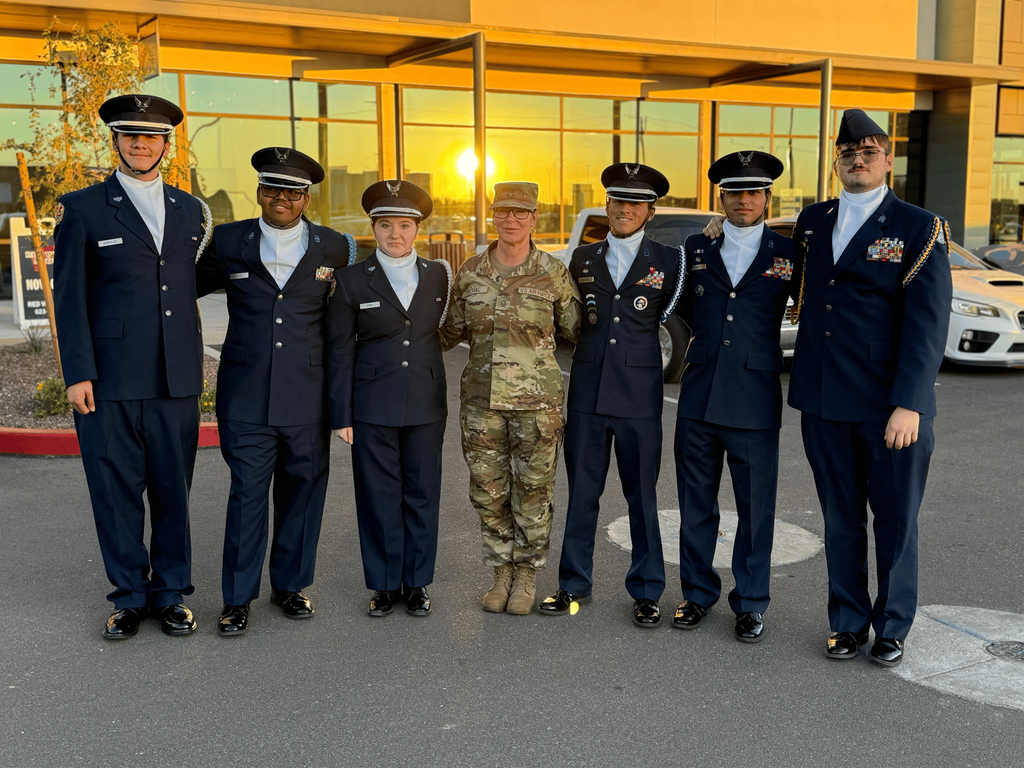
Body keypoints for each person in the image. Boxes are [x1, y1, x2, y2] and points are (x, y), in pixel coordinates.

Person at [705, 110, 952, 665]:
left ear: (887, 160)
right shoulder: (814, 221)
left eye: (868, 152)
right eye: (848, 154)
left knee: (895, 522)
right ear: (836, 163)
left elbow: (928, 324)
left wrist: (910, 403)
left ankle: (892, 626)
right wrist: (723, 229)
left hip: (889, 407)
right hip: (822, 401)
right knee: (841, 521)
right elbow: (772, 262)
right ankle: (847, 622)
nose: (858, 161)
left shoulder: (918, 226)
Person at [53, 94, 208, 640]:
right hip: (109, 379)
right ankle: (127, 597)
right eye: (131, 136)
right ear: (116, 141)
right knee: (115, 494)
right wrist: (77, 372)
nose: (141, 145)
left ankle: (170, 594)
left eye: (152, 137)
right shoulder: (82, 208)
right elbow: (69, 298)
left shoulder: (191, 210)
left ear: (167, 145)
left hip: (175, 379)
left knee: (172, 492)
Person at [195, 147, 354, 636]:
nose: (280, 198)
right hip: (246, 396)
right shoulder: (227, 240)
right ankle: (237, 598)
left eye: (291, 191)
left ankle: (290, 586)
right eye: (271, 189)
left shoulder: (335, 247)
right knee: (247, 496)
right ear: (259, 192)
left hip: (309, 395)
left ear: (306, 198)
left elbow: (346, 325)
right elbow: (176, 289)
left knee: (303, 493)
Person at [538, 163, 682, 628]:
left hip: (639, 397)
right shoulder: (581, 258)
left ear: (650, 211)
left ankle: (647, 591)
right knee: (582, 494)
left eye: (635, 203)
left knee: (642, 498)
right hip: (588, 393)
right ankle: (573, 584)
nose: (625, 209)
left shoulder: (670, 260)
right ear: (607, 205)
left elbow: (675, 316)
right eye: (618, 200)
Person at [671, 150, 801, 644]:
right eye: (734, 192)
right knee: (695, 504)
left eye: (753, 192)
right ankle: (696, 594)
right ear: (721, 198)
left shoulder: (790, 253)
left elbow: (813, 308)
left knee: (755, 510)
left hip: (754, 398)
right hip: (700, 395)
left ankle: (750, 603)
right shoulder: (696, 246)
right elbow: (682, 309)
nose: (743, 200)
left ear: (767, 198)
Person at [441, 181, 581, 615]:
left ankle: (527, 575)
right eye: (503, 211)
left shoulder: (553, 272)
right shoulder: (470, 272)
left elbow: (578, 330)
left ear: (534, 218)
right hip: (481, 406)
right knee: (488, 491)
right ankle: (500, 572)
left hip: (537, 408)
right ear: (493, 216)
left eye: (521, 212)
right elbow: (448, 331)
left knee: (534, 492)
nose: (511, 219)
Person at [329, 180, 449, 618]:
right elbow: (340, 350)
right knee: (378, 497)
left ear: (417, 229)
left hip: (425, 402)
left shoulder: (439, 275)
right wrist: (341, 414)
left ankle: (416, 583)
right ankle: (383, 584)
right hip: (371, 404)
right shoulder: (350, 280)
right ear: (373, 229)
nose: (394, 234)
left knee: (422, 494)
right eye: (385, 225)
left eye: (404, 225)